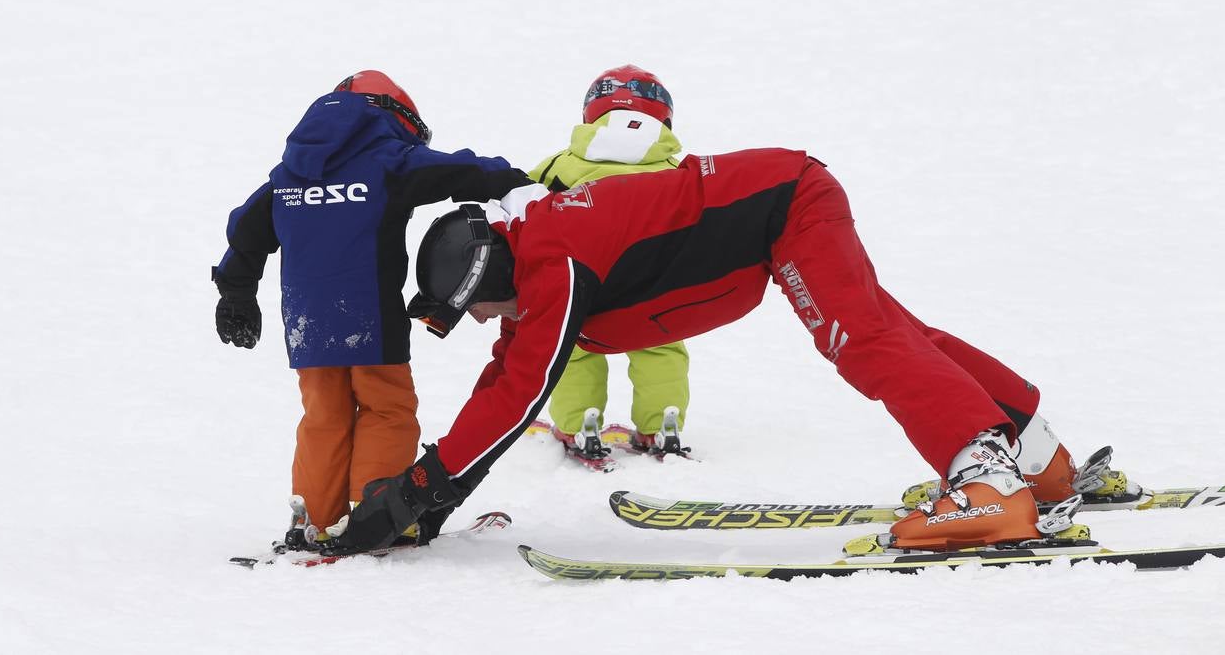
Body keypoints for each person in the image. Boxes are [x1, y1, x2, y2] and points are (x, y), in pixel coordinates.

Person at [328, 146, 1126, 556]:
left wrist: (421, 486)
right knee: (891, 332)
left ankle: (990, 491)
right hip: (784, 205)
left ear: (487, 271)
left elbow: (516, 395)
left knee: (861, 338)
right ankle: (1039, 462)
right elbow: (508, 380)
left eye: (474, 306)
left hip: (785, 207)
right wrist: (435, 497)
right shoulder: (536, 269)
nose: (481, 321)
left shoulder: (552, 259)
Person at [212, 70, 537, 545]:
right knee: (386, 408)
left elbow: (245, 230)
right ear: (394, 117)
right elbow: (453, 171)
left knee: (324, 416)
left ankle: (316, 522)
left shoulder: (287, 176)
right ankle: (378, 515)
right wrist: (510, 182)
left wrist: (235, 293)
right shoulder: (387, 160)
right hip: (369, 313)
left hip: (307, 322)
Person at [530, 65, 691, 457]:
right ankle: (660, 425)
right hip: (657, 280)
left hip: (585, 279)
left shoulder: (562, 164)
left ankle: (577, 425)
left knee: (574, 347)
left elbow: (525, 204)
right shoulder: (675, 169)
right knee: (661, 345)